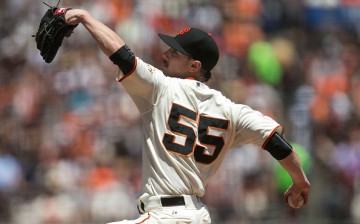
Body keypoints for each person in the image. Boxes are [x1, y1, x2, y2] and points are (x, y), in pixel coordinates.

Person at [64, 8, 310, 224]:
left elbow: (122, 56)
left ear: (195, 66)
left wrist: (86, 18)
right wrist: (299, 181)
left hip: (163, 216)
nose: (166, 54)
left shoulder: (161, 88)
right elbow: (277, 144)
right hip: (197, 216)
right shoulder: (233, 111)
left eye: (176, 52)